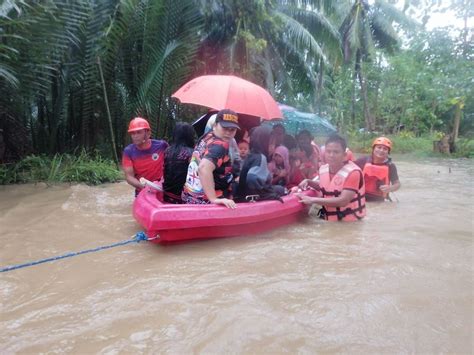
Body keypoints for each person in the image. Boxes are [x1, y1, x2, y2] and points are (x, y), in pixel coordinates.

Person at [296, 134, 366, 222]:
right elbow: (328, 187)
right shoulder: (323, 169)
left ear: (344, 155)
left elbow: (343, 200)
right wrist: (309, 182)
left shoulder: (353, 172)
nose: (331, 155)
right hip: (330, 219)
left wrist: (312, 200)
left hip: (349, 223)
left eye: (336, 152)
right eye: (328, 151)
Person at [181, 109, 239, 208]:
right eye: (225, 128)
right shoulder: (220, 145)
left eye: (232, 129)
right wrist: (213, 199)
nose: (228, 133)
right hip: (207, 203)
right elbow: (203, 168)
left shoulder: (206, 137)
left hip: (190, 197)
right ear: (215, 125)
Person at [235, 125, 286, 202]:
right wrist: (267, 196)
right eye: (271, 143)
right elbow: (252, 178)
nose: (273, 147)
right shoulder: (261, 157)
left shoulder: (252, 154)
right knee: (282, 190)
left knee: (279, 188)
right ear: (262, 142)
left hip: (243, 194)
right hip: (251, 196)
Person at [122, 117, 168, 195]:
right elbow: (129, 177)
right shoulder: (128, 151)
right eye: (133, 133)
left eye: (138, 132)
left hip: (161, 189)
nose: (135, 136)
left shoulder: (162, 146)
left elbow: (172, 163)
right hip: (142, 191)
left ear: (148, 133)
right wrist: (144, 187)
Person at [355, 136, 400, 202]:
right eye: (379, 147)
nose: (381, 150)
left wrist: (390, 188)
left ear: (388, 152)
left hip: (378, 200)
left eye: (385, 149)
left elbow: (397, 184)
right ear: (373, 149)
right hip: (359, 197)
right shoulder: (362, 160)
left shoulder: (391, 166)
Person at [163, 122, 195, 203]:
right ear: (190, 136)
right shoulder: (192, 153)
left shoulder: (167, 151)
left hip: (167, 194)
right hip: (182, 197)